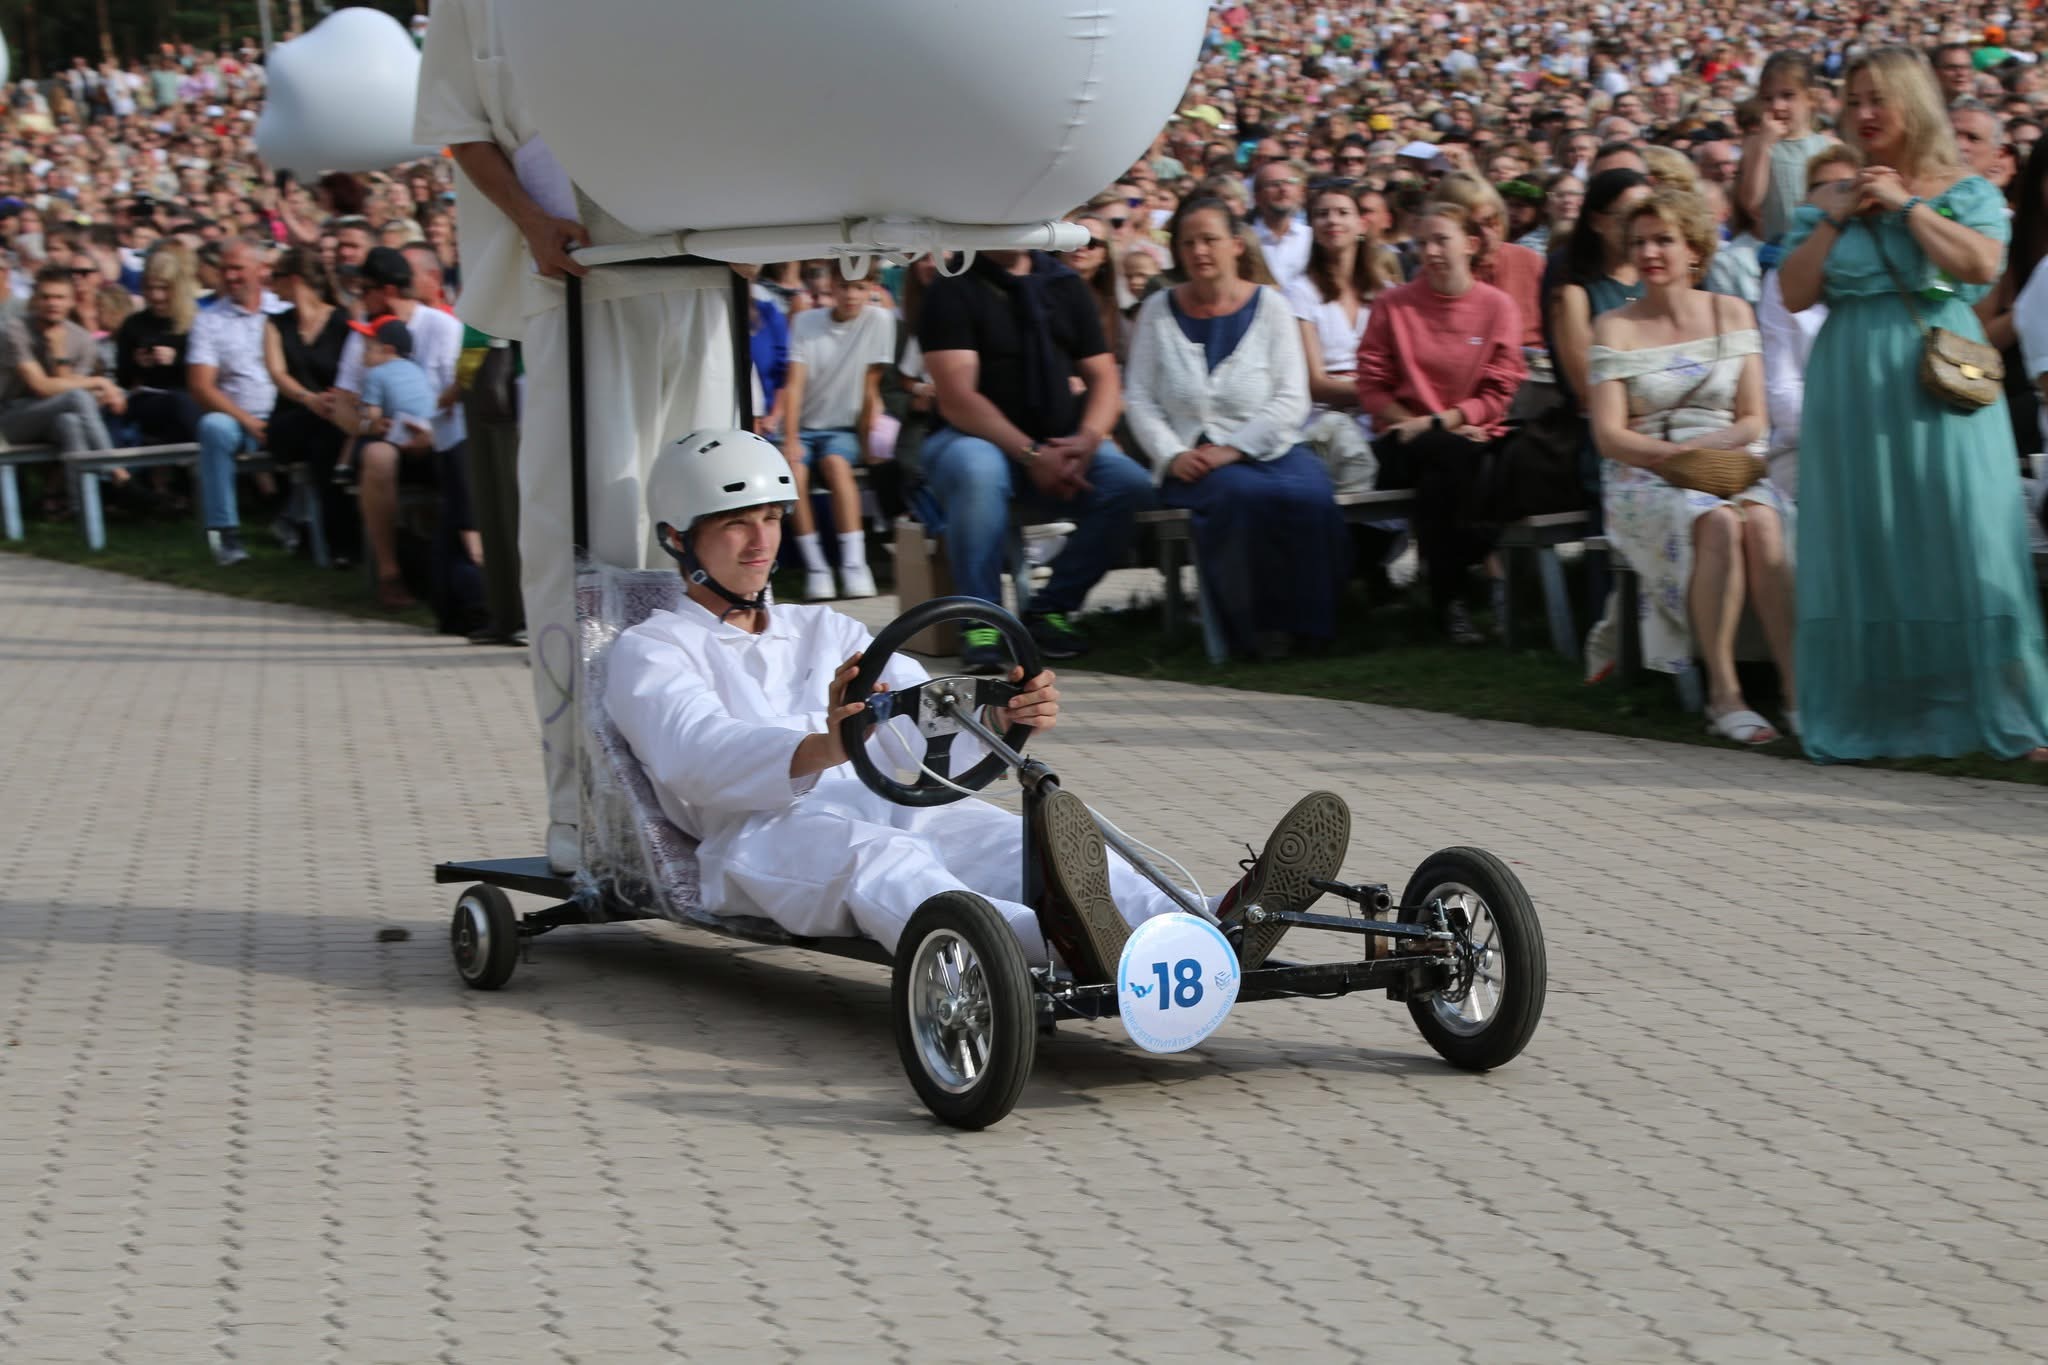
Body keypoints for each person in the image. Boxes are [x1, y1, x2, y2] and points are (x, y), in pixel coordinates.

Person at [604, 428, 1353, 972]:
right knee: (885, 860)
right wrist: (827, 744)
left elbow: (922, 709)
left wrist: (998, 715)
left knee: (1009, 835)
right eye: (736, 523)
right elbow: (696, 758)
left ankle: (1202, 924)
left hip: (881, 799)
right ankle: (1058, 945)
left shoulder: (822, 628)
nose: (760, 541)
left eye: (771, 518)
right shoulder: (651, 648)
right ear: (678, 537)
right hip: (755, 837)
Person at [417, 0, 743, 874]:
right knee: (589, 541)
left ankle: (716, 791)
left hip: (700, 272)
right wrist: (528, 219)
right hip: (576, 277)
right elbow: (460, 122)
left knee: (718, 529)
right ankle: (587, 804)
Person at [1780, 46, 2048, 764]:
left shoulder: (1966, 190)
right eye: (1854, 100)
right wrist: (1837, 216)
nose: (1864, 113)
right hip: (1850, 385)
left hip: (1941, 382)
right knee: (1870, 535)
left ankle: (2007, 710)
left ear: (1914, 102)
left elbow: (1981, 264)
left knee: (1964, 529)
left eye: (1879, 99)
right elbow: (1794, 293)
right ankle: (1886, 712)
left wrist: (1906, 204)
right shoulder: (1826, 202)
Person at [1587, 189, 1797, 744]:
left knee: (1765, 522)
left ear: (1695, 248)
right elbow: (1609, 436)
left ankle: (1796, 690)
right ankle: (1724, 694)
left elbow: (1753, 418)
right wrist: (1673, 459)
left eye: (1664, 240)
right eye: (1639, 243)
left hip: (1727, 460)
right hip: (1644, 470)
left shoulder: (1732, 311)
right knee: (1718, 521)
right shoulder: (1613, 326)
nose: (1649, 253)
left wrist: (1708, 451)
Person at [1123, 195, 1346, 660]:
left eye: (1210, 239)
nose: (1199, 251)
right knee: (1240, 497)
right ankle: (1255, 631)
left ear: (1236, 245)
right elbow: (1140, 398)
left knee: (1311, 495)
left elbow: (1292, 396)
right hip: (1194, 459)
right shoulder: (1157, 311)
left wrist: (1238, 447)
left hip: (1273, 447)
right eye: (1188, 243)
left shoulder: (1272, 307)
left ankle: (1317, 626)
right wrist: (1171, 455)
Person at [916, 247, 1154, 674]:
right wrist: (1031, 455)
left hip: (1059, 440)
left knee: (1130, 485)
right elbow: (957, 399)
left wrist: (1086, 441)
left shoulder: (1064, 284)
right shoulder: (953, 286)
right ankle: (981, 619)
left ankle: (1050, 610)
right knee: (978, 469)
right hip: (969, 437)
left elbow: (1104, 377)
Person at [1356, 201, 1529, 645]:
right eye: (1422, 243)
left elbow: (1499, 390)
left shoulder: (1498, 307)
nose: (1429, 251)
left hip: (1470, 437)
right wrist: (1425, 426)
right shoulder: (1393, 305)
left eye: (1441, 241)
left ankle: (1448, 601)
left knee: (1451, 468)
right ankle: (1473, 584)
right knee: (1452, 458)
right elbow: (1372, 387)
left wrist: (1444, 422)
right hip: (1403, 439)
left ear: (1470, 244)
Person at [779, 269, 892, 601]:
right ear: (832, 287)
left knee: (837, 466)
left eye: (859, 287)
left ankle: (854, 564)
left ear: (871, 288)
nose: (851, 295)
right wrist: (790, 439)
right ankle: (817, 568)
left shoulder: (879, 320)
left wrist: (867, 444)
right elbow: (794, 385)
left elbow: (870, 386)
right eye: (844, 286)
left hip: (842, 429)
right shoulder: (805, 322)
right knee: (794, 471)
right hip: (802, 427)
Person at [1757, 150, 1861, 501]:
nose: (1834, 195)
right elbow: (1782, 386)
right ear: (1805, 200)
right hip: (1807, 443)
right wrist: (1839, 434)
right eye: (1821, 187)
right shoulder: (1780, 279)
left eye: (1845, 186)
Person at [1286, 179, 1394, 494]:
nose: (1332, 220)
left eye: (1342, 212)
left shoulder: (1386, 293)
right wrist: (1377, 394)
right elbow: (1315, 383)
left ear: (1361, 224)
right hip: (1324, 418)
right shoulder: (1300, 292)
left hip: (1382, 415)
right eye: (1322, 214)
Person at [0, 266, 125, 518]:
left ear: (72, 300)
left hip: (52, 416)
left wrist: (59, 353)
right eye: (46, 297)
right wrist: (98, 382)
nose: (52, 304)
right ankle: (116, 471)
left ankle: (82, 509)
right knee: (77, 397)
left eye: (59, 297)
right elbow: (41, 387)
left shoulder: (82, 339)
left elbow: (64, 387)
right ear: (36, 298)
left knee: (70, 422)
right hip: (9, 417)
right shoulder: (15, 331)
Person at [187, 238, 278, 565]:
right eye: (225, 269)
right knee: (213, 427)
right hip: (238, 419)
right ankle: (225, 532)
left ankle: (297, 520)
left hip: (286, 413)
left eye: (238, 268)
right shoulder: (209, 320)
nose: (230, 276)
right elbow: (201, 386)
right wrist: (248, 421)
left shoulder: (283, 311)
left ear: (261, 270)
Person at [262, 246, 355, 559]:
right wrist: (309, 399)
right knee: (324, 435)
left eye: (275, 276)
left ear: (294, 279)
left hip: (333, 416)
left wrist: (331, 401)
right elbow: (278, 373)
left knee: (326, 443)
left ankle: (326, 540)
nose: (270, 284)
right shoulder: (276, 324)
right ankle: (337, 544)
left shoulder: (342, 321)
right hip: (292, 417)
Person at [1737, 52, 1835, 244]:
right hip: (1778, 249)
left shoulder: (1829, 147)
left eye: (1788, 95)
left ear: (1811, 98)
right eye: (1768, 98)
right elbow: (1751, 201)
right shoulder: (1756, 145)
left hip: (1821, 247)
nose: (1777, 106)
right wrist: (1765, 146)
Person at [113, 248, 200, 446]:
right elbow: (123, 379)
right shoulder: (134, 324)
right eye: (150, 288)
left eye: (164, 288)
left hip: (189, 395)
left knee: (184, 404)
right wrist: (137, 363)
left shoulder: (196, 322)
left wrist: (177, 359)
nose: (156, 296)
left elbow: (208, 371)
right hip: (149, 397)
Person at [1248, 159, 1312, 290]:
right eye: (1274, 184)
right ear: (1257, 197)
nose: (1283, 189)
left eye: (1290, 182)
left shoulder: (1312, 238)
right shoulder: (1245, 240)